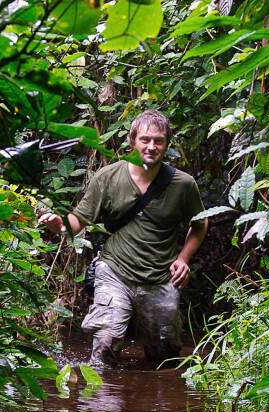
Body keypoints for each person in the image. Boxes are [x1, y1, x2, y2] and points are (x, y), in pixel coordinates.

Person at [39, 110, 208, 364]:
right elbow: (77, 221)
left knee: (165, 357)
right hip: (115, 271)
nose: (152, 146)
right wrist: (58, 224)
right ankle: (101, 399)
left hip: (160, 277)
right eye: (145, 139)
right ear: (133, 141)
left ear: (167, 145)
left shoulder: (183, 184)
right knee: (105, 344)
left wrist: (183, 259)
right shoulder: (108, 177)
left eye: (159, 141)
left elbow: (200, 224)